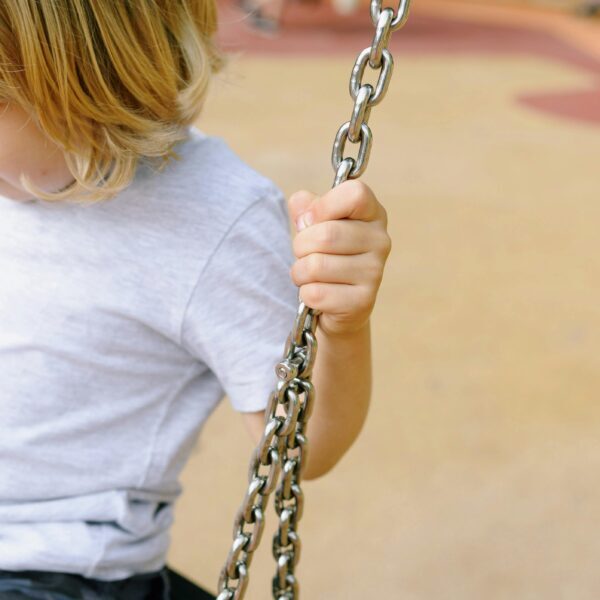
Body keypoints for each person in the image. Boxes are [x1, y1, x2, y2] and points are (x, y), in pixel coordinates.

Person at [0, 1, 392, 599]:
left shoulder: (212, 221)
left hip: (58, 569)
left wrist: (342, 326)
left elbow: (298, 450)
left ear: (97, 77)